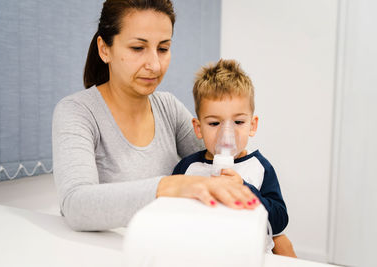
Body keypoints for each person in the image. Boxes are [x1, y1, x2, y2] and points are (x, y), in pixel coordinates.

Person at [52, 0, 259, 232]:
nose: (155, 65)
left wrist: (277, 236)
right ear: (104, 49)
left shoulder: (168, 107)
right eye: (138, 48)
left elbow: (218, 166)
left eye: (163, 49)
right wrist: (171, 186)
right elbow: (75, 205)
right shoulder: (77, 112)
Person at [172, 59, 297, 257]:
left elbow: (280, 220)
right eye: (214, 123)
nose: (226, 133)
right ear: (198, 128)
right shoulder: (189, 168)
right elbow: (171, 215)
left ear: (252, 125)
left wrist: (245, 189)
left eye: (238, 122)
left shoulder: (259, 169)